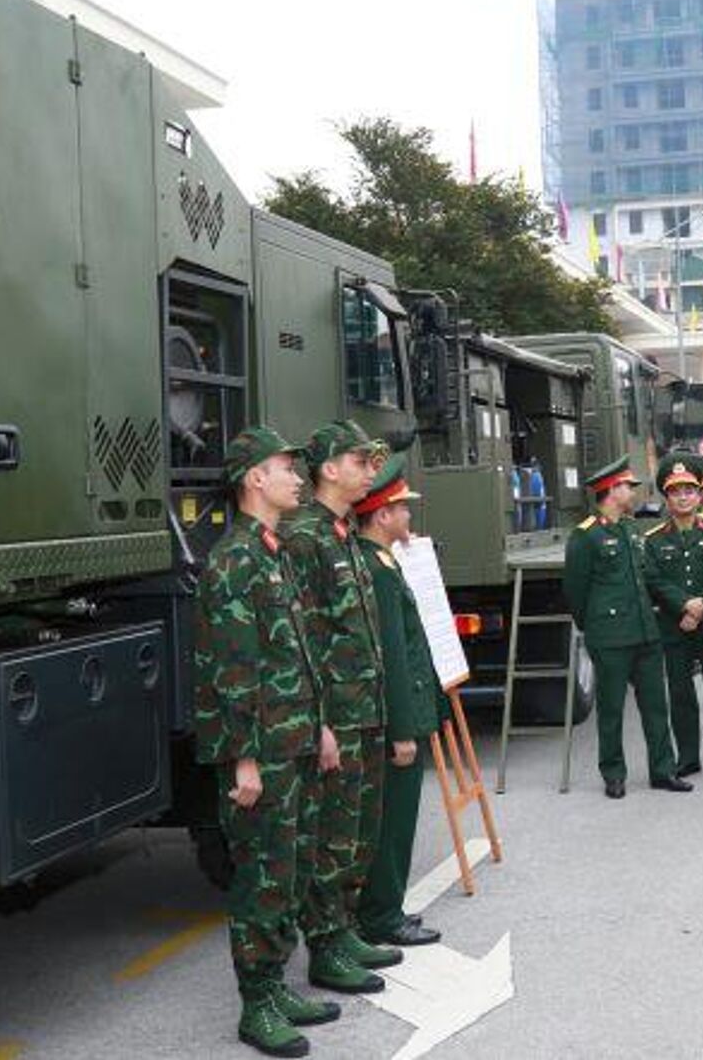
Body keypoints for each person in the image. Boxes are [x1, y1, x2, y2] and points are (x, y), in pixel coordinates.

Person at [194, 426, 340, 1057]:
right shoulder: (233, 560)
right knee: (262, 876)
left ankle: (276, 985)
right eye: (286, 468)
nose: (298, 479)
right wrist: (243, 759)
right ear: (255, 478)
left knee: (293, 867)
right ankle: (256, 1005)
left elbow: (298, 652)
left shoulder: (274, 550)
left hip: (296, 739)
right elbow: (229, 669)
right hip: (262, 751)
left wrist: (322, 726)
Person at [282, 421, 403, 994]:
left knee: (357, 832)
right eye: (359, 461)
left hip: (365, 706)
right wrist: (321, 720)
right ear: (329, 469)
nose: (369, 470)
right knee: (331, 834)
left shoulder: (341, 533)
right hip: (338, 713)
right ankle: (325, 945)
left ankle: (344, 926)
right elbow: (302, 636)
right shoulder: (305, 537)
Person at [351, 453, 445, 950]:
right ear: (383, 515)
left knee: (396, 821)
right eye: (403, 509)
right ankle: (382, 915)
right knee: (393, 826)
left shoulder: (383, 562)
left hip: (403, 712)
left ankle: (384, 909)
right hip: (397, 720)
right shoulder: (379, 571)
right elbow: (390, 655)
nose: (410, 516)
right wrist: (403, 731)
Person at [563, 456, 686, 799]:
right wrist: (596, 627)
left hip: (646, 632)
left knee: (655, 706)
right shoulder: (586, 536)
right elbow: (575, 590)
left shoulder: (630, 530)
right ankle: (613, 774)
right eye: (627, 487)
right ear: (612, 490)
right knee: (612, 709)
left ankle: (663, 770)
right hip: (611, 636)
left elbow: (646, 576)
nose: (632, 492)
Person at [643, 452, 703, 777]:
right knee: (681, 695)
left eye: (689, 490)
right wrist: (685, 605)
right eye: (676, 492)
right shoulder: (653, 540)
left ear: (699, 494)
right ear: (666, 497)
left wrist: (701, 608)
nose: (683, 497)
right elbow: (653, 580)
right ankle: (688, 757)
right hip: (674, 624)